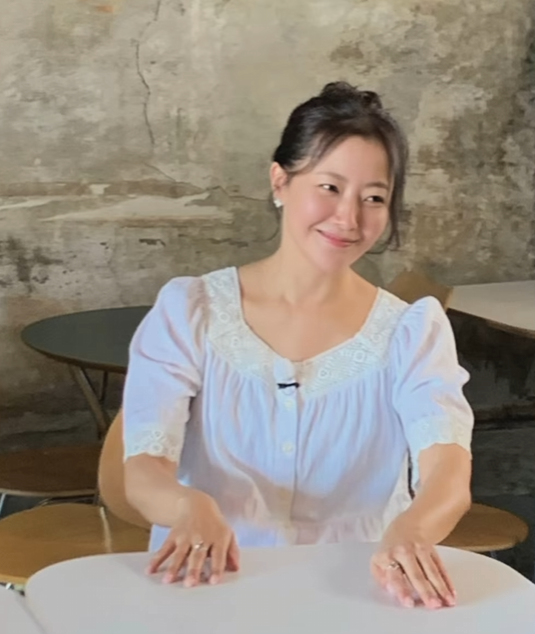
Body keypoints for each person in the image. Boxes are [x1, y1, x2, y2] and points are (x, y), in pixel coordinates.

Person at [122, 82, 474, 610]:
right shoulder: (191, 311)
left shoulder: (411, 331)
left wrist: (415, 526)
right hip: (208, 590)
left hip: (362, 595)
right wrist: (186, 505)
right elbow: (143, 468)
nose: (349, 218)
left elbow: (447, 469)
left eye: (373, 198)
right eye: (329, 187)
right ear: (280, 181)